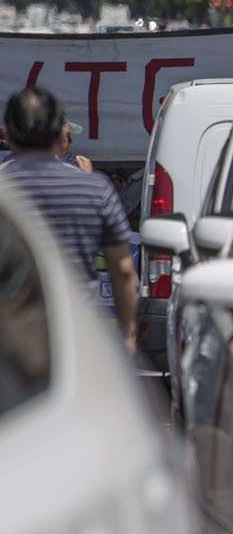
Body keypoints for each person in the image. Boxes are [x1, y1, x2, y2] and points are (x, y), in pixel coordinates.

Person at [0, 86, 137, 352]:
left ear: (9, 135)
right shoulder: (95, 187)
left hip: (10, 335)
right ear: (57, 133)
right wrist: (128, 334)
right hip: (75, 330)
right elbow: (122, 269)